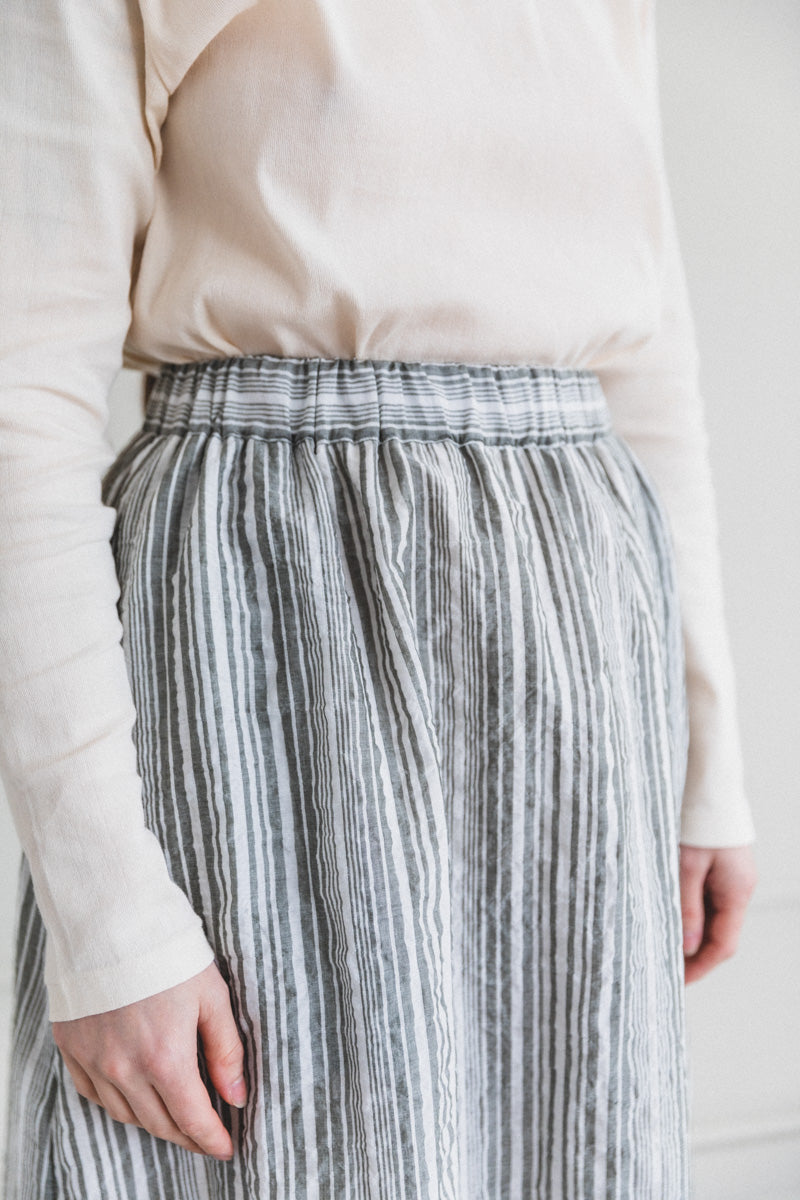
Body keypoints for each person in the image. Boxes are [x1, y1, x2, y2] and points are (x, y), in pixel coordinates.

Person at [0, 0, 758, 1197]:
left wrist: (704, 756)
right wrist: (106, 919)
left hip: (576, 624)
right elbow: (19, 401)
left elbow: (648, 366)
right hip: (264, 622)